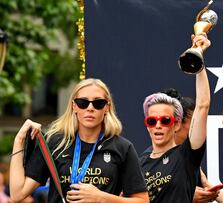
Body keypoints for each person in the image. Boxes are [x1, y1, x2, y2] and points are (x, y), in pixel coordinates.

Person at [9, 78, 149, 203]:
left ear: (107, 107)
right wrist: (19, 140)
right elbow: (17, 194)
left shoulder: (122, 147)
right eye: (83, 102)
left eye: (98, 103)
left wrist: (101, 198)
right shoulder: (55, 143)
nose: (90, 108)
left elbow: (142, 200)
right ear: (74, 106)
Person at [139, 33, 211, 203]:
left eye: (165, 120)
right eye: (152, 121)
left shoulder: (186, 155)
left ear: (176, 124)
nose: (158, 125)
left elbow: (202, 105)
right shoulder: (139, 163)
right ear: (147, 125)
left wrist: (197, 56)